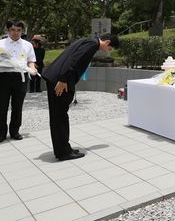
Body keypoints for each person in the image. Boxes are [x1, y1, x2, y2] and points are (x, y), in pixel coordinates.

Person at [42, 33, 119, 161]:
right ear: (107, 42)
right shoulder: (92, 44)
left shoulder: (88, 41)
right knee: (59, 116)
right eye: (110, 49)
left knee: (58, 115)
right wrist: (63, 79)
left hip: (60, 79)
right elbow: (74, 60)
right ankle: (63, 152)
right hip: (61, 81)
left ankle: (63, 149)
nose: (107, 51)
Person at [0, 20, 37, 143]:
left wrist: (32, 67)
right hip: (2, 78)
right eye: (12, 29)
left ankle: (15, 131)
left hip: (20, 78)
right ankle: (1, 133)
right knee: (2, 106)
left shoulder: (27, 45)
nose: (15, 33)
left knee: (17, 106)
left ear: (22, 31)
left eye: (19, 30)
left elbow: (31, 60)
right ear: (7, 30)